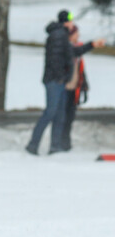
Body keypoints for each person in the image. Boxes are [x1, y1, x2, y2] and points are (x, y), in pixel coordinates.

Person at [26, 10, 105, 155]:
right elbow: (55, 60)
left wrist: (92, 44)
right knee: (50, 112)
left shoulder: (61, 36)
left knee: (60, 114)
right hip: (55, 81)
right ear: (65, 22)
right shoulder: (58, 35)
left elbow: (74, 52)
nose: (72, 22)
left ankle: (55, 147)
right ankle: (33, 145)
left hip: (60, 81)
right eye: (70, 20)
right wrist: (61, 77)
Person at [60, 24, 97, 151]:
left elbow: (81, 71)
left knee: (70, 117)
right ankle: (61, 143)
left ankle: (66, 143)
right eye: (76, 33)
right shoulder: (67, 49)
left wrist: (84, 86)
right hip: (65, 88)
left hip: (75, 88)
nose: (79, 35)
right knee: (63, 117)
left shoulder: (77, 51)